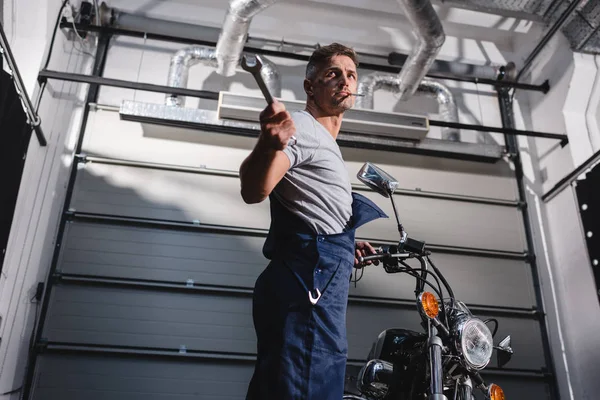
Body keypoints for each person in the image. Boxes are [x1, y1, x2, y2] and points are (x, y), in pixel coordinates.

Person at [239, 43, 387, 400]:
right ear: (311, 87)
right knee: (305, 383)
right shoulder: (303, 127)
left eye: (351, 74)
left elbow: (314, 212)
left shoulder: (327, 143)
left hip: (317, 276)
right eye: (333, 74)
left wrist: (348, 244)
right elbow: (253, 188)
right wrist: (269, 145)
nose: (344, 80)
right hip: (309, 279)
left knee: (298, 381)